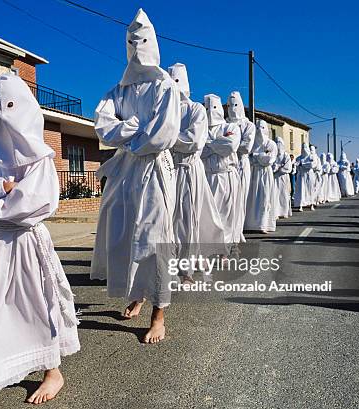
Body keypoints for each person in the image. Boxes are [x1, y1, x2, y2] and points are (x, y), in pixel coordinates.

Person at [0, 74, 80, 403]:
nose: (3, 113)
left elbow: (34, 204)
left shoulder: (40, 156)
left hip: (26, 245)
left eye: (10, 105)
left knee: (36, 302)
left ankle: (53, 370)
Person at [90, 9, 181, 344]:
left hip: (154, 170)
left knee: (154, 236)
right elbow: (103, 125)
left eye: (141, 40)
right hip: (126, 170)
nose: (136, 46)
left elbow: (162, 133)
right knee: (125, 233)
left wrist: (126, 134)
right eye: (131, 41)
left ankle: (159, 313)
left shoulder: (164, 86)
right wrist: (132, 129)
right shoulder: (119, 90)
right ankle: (137, 293)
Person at [167, 63, 225, 280]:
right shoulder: (164, 110)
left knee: (187, 219)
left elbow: (193, 140)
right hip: (168, 171)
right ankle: (169, 262)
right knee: (169, 220)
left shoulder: (196, 110)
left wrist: (166, 139)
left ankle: (186, 268)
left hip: (189, 171)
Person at [201, 94, 241, 243]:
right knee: (207, 215)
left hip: (225, 176)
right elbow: (198, 149)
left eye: (214, 107)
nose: (210, 111)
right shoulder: (201, 127)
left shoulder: (230, 127)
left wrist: (208, 144)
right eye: (207, 108)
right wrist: (217, 144)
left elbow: (230, 146)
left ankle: (225, 247)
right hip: (206, 176)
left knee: (226, 213)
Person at [227, 91, 255, 242]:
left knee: (241, 197)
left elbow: (246, 147)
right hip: (227, 164)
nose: (232, 108)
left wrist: (228, 144)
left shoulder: (248, 125)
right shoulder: (225, 123)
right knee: (228, 199)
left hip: (241, 164)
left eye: (235, 105)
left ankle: (238, 230)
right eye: (230, 105)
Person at [244, 120, 278, 233]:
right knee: (251, 198)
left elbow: (270, 160)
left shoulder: (271, 144)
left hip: (265, 174)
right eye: (257, 128)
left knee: (264, 198)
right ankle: (250, 224)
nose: (259, 130)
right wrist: (260, 157)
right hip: (253, 173)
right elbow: (248, 158)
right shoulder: (253, 143)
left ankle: (263, 224)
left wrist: (256, 156)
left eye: (262, 127)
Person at [273, 137, 293, 218]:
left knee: (284, 194)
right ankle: (276, 212)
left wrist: (279, 168)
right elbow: (271, 165)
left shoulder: (286, 155)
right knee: (275, 194)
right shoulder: (273, 154)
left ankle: (284, 211)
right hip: (274, 178)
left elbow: (288, 167)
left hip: (283, 178)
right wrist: (277, 167)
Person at [293, 143, 315, 211]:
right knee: (301, 190)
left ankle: (311, 204)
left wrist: (302, 164)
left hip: (309, 175)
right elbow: (296, 165)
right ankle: (301, 205)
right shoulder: (299, 157)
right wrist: (298, 165)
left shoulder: (311, 157)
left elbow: (312, 165)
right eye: (302, 148)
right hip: (301, 176)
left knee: (310, 190)